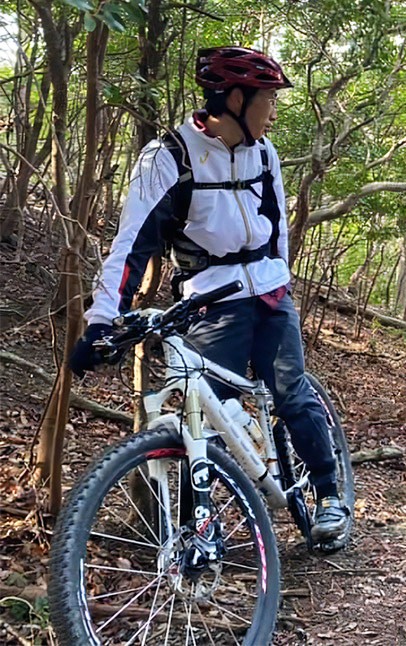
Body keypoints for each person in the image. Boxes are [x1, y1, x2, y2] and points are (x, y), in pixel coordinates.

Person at [68, 46, 349, 542]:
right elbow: (132, 245)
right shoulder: (169, 157)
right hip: (210, 300)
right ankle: (202, 526)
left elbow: (277, 230)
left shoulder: (265, 153)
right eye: (268, 99)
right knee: (204, 414)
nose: (275, 111)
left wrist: (281, 281)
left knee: (291, 392)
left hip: (269, 290)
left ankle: (329, 493)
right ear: (235, 99)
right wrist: (102, 320)